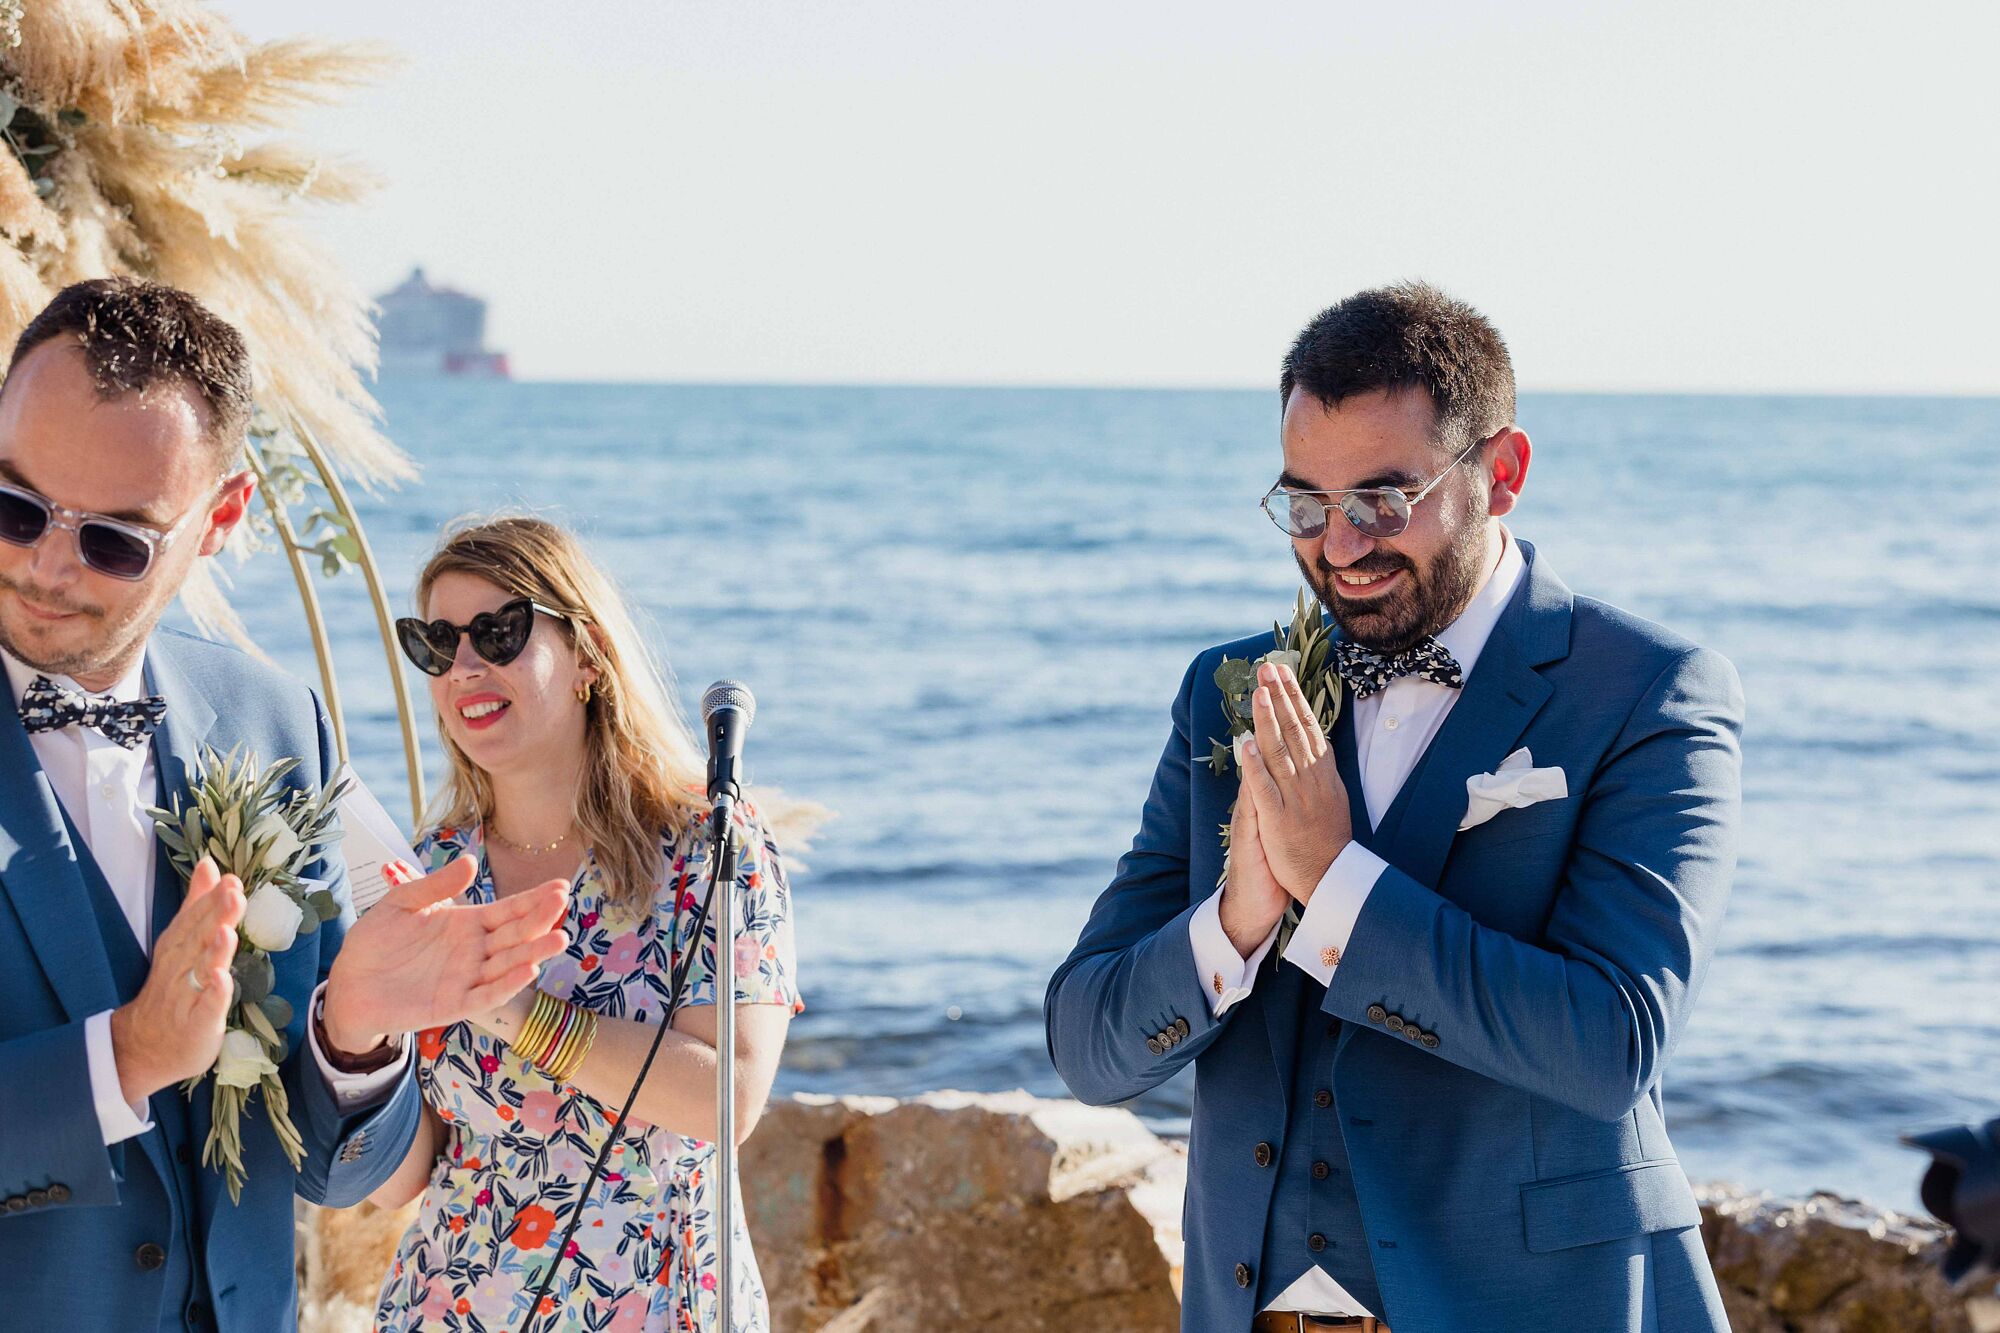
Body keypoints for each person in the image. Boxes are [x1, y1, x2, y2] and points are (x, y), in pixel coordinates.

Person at [1045, 281, 1744, 1332]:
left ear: (1498, 473)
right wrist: (1233, 924)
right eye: (1305, 505)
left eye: (1380, 501)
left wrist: (1335, 885)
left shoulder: (1645, 690)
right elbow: (1088, 1044)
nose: (1337, 547)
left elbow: (1609, 1045)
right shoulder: (1229, 688)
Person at [0, 278, 573, 1332]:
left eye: (114, 541)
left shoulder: (272, 720)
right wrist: (120, 1060)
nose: (44, 563)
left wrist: (355, 1034)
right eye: (14, 505)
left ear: (221, 519)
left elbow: (333, 1172)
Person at [369, 517, 803, 1333]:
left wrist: (515, 1009)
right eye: (437, 642)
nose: (464, 666)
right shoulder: (426, 869)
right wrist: (342, 1043)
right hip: (452, 1305)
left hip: (658, 1302)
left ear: (588, 658)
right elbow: (404, 1176)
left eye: (498, 633)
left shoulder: (710, 848)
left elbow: (730, 1097)